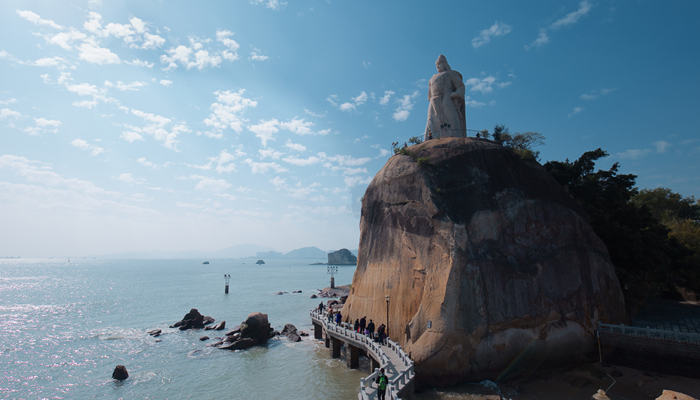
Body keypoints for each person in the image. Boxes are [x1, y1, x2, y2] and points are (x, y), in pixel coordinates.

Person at [424, 54, 466, 141]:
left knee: (452, 118)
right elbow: (429, 94)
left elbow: (460, 87)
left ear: (445, 64)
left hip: (447, 98)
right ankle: (431, 138)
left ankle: (456, 136)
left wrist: (455, 94)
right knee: (431, 121)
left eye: (440, 63)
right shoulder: (432, 78)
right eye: (437, 65)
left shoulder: (451, 74)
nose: (438, 66)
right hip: (434, 101)